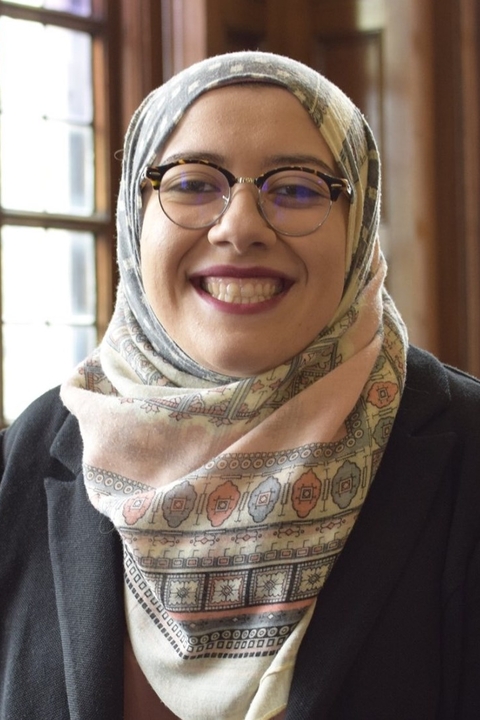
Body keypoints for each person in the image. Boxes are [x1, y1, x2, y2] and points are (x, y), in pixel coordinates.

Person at [1, 50, 479, 720]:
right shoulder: (30, 453)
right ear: (135, 218)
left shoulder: (466, 452)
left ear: (361, 219)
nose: (241, 227)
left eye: (298, 188)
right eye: (193, 184)